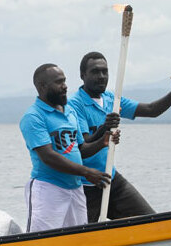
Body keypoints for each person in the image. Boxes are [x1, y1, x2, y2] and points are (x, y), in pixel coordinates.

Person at [67, 52, 171, 222]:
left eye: (105, 71)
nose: (101, 76)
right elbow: (84, 144)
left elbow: (151, 110)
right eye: (95, 72)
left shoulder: (111, 99)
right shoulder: (74, 105)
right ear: (82, 75)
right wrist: (104, 128)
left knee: (151, 222)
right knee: (86, 240)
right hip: (86, 186)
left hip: (110, 178)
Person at [20, 64, 112, 232]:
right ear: (42, 87)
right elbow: (48, 156)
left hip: (75, 189)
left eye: (64, 81)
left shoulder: (69, 111)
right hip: (49, 189)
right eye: (59, 82)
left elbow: (81, 148)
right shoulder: (33, 117)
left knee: (79, 240)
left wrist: (102, 142)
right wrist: (87, 172)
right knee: (42, 242)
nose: (65, 86)